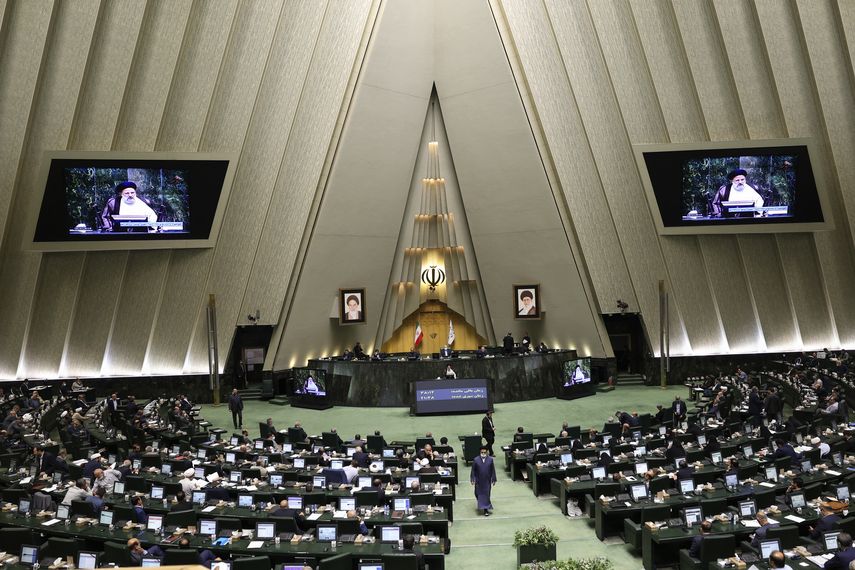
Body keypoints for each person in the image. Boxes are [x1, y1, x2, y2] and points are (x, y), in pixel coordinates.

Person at [470, 446, 497, 516]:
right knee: (477, 493)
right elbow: (473, 470)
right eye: (482, 452)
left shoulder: (490, 460)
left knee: (486, 495)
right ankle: (481, 503)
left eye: (484, 452)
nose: (483, 454)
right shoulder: (476, 460)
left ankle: (486, 509)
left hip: (487, 481)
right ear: (480, 452)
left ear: (487, 452)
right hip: (478, 480)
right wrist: (473, 479)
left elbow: (493, 470)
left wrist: (493, 479)